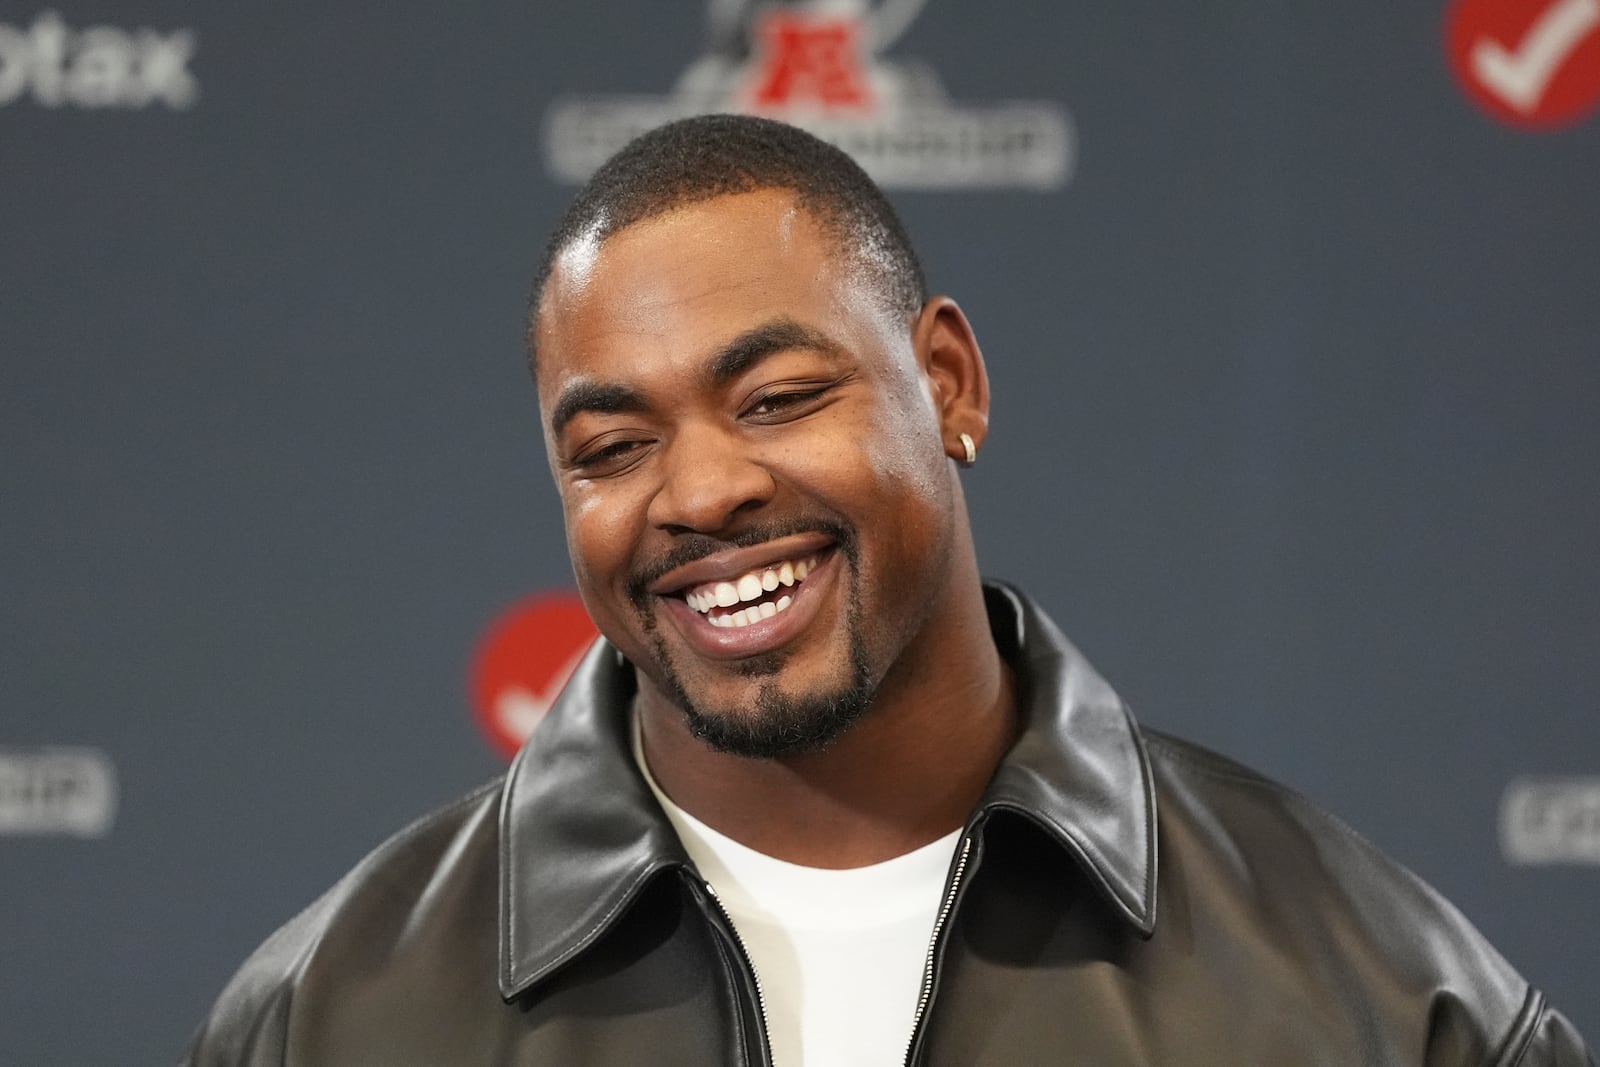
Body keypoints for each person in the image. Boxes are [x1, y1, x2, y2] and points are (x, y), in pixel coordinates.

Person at [184, 114, 1593, 1066]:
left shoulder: (1375, 1000)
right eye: (614, 448)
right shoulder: (327, 1016)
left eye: (781, 396)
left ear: (950, 384)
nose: (701, 493)